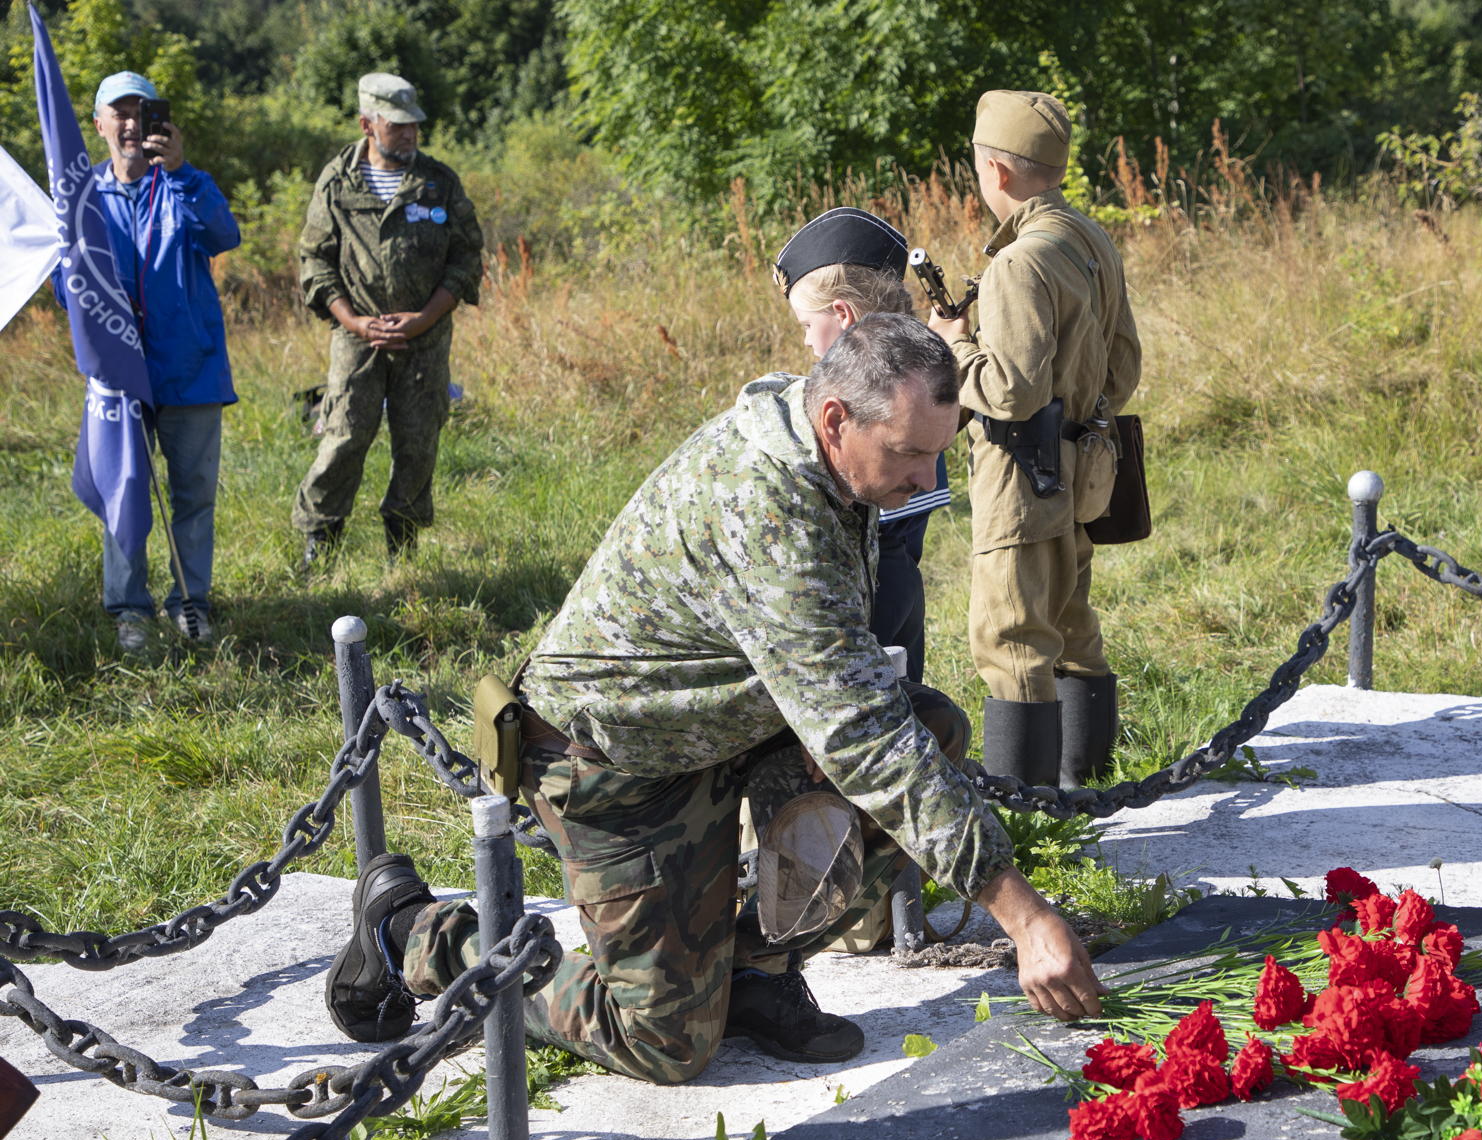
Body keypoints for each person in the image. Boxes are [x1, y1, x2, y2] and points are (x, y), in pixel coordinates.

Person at [325, 314, 1105, 1083]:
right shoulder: (765, 506)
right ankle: (416, 934)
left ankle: (754, 971)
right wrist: (1025, 917)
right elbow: (867, 738)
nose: (927, 481)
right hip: (613, 766)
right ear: (836, 419)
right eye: (909, 453)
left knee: (926, 729)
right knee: (662, 1039)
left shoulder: (823, 447)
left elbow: (841, 671)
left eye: (939, 452)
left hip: (716, 727)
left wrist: (814, 718)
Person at [929, 91, 1142, 789]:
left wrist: (955, 348)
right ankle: (1089, 785)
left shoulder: (1018, 263)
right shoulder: (1091, 239)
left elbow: (1012, 392)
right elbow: (1123, 368)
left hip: (1020, 477)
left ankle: (1031, 822)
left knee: (1012, 639)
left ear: (995, 171)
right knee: (1071, 623)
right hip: (1083, 467)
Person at [78, 71, 240, 653]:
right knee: (123, 492)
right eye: (119, 113)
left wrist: (180, 171)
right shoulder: (84, 198)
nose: (130, 124)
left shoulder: (183, 183)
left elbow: (223, 234)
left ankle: (190, 603)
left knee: (193, 494)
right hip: (121, 377)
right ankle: (130, 610)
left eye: (141, 112)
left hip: (190, 370)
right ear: (99, 123)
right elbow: (67, 281)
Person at [293, 73, 482, 569]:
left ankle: (404, 550)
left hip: (425, 340)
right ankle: (320, 543)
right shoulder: (338, 181)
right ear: (367, 124)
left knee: (418, 442)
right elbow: (315, 261)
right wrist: (354, 322)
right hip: (357, 340)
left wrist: (423, 318)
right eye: (396, 125)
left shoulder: (439, 183)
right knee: (345, 436)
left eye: (413, 124)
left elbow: (466, 258)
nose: (409, 133)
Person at [771, 207, 952, 682]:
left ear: (843, 315)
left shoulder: (866, 415)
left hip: (868, 586)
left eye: (806, 325)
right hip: (903, 577)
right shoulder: (918, 392)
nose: (807, 342)